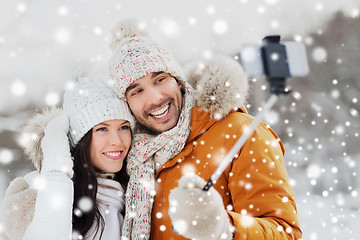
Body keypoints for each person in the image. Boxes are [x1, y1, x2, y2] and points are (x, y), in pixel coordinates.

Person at [107, 19, 302, 240]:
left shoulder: (241, 133)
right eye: (137, 91)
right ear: (127, 103)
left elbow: (284, 232)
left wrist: (225, 227)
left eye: (160, 79)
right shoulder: (133, 158)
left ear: (178, 81)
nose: (155, 98)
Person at [0, 78, 134, 240]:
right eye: (102, 129)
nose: (117, 141)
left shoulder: (136, 197)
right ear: (79, 138)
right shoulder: (35, 195)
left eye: (124, 127)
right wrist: (57, 163)